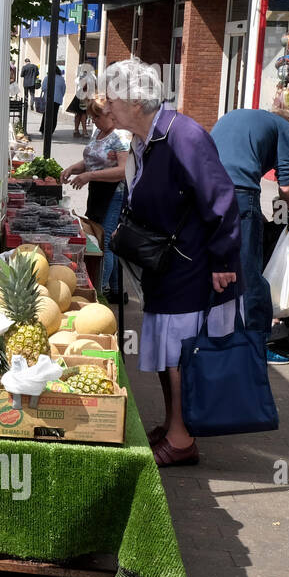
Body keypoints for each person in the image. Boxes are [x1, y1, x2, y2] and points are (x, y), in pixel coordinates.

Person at [104, 59, 241, 468]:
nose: (107, 107)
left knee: (179, 353)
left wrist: (223, 261)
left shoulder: (184, 135)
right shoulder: (145, 139)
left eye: (113, 99)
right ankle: (173, 422)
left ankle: (182, 438)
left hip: (194, 265)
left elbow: (221, 199)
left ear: (135, 101)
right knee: (167, 349)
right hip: (167, 264)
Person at [211, 107, 289, 364]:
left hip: (205, 192)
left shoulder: (237, 117)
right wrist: (282, 212)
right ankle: (256, 346)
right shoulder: (287, 129)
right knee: (248, 274)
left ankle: (214, 338)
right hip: (240, 193)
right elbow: (286, 186)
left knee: (215, 265)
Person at [60, 95, 131, 297]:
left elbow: (124, 171)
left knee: (104, 243)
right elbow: (92, 160)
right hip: (98, 192)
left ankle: (99, 293)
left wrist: (89, 175)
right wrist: (75, 168)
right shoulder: (99, 132)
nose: (94, 121)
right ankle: (117, 289)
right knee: (100, 238)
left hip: (113, 194)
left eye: (97, 117)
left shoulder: (120, 137)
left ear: (109, 115)